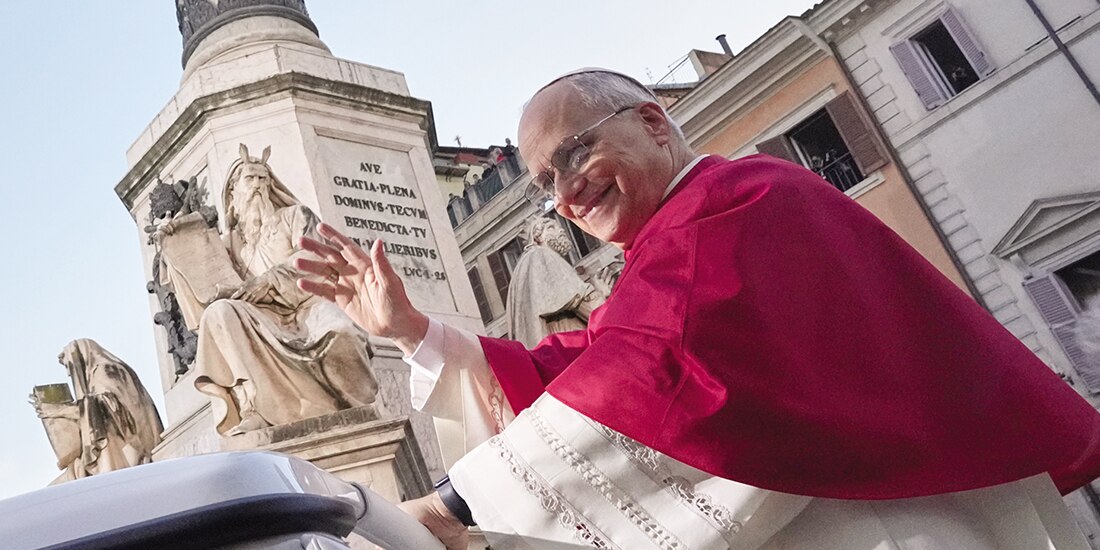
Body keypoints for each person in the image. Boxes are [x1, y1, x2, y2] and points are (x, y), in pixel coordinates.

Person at [295, 70, 1100, 549]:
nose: (565, 191)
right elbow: (584, 366)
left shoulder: (741, 200)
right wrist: (418, 332)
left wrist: (451, 505)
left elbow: (660, 372)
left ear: (652, 122)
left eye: (575, 153)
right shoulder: (664, 254)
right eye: (544, 183)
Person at [183, 145, 382, 436]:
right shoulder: (231, 245)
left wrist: (269, 281)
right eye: (249, 181)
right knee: (218, 313)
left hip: (308, 303)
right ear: (233, 195)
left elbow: (317, 259)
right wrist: (176, 243)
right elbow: (204, 279)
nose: (258, 187)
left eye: (263, 180)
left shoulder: (295, 216)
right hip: (262, 317)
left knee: (341, 332)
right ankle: (256, 406)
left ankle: (354, 408)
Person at [32, 339, 163, 483]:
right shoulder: (105, 371)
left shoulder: (105, 370)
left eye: (70, 368)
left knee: (62, 489)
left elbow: (105, 409)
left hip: (125, 449)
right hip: (112, 448)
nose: (71, 374)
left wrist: (60, 410)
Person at [506, 216, 606, 348]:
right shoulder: (541, 255)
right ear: (538, 238)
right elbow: (581, 300)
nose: (561, 230)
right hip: (571, 343)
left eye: (558, 226)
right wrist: (604, 298)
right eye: (551, 228)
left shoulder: (525, 266)